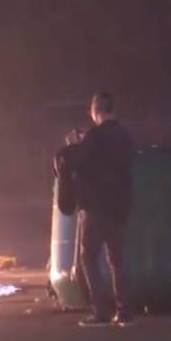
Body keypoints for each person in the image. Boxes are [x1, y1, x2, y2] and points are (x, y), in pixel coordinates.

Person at [65, 91, 136, 328]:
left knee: (89, 258)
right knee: (118, 260)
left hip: (95, 207)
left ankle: (101, 311)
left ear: (96, 110)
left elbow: (78, 164)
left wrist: (75, 145)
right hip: (120, 207)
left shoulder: (93, 137)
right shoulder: (126, 137)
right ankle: (124, 311)